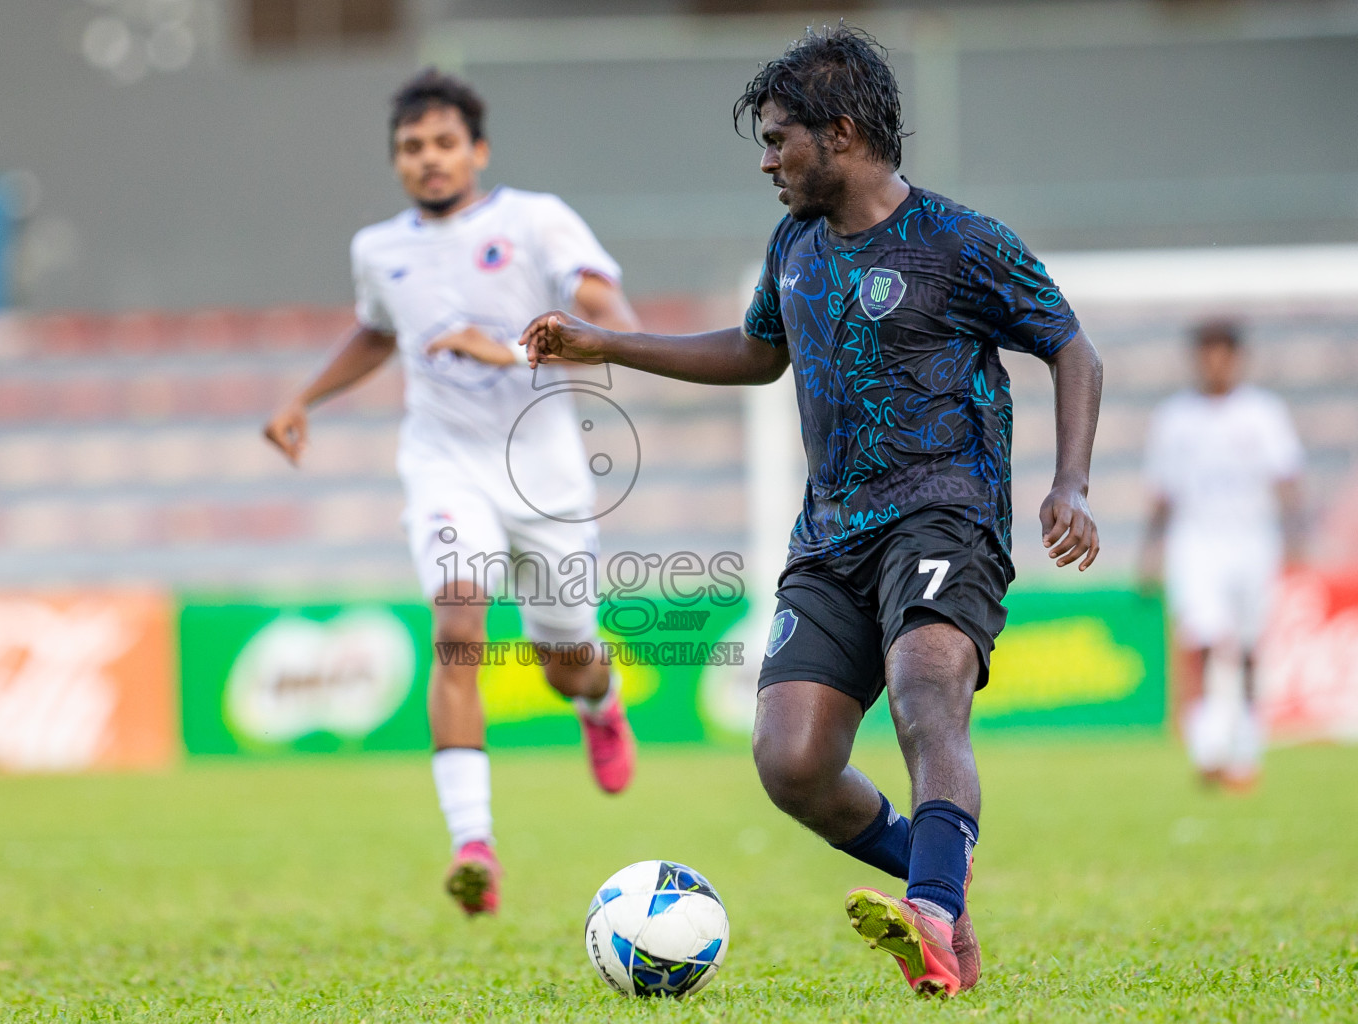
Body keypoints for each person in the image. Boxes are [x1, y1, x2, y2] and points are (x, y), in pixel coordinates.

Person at [520, 26, 1102, 999]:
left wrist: (1072, 481)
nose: (765, 158)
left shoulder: (961, 242)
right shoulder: (793, 243)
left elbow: (1072, 348)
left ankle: (929, 910)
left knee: (926, 686)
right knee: (790, 763)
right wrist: (602, 344)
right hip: (829, 538)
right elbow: (756, 352)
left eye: (779, 137)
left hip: (943, 516)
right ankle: (940, 881)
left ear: (839, 134)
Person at [264, 70, 640, 918]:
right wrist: (303, 399)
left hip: (544, 473)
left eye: (442, 143)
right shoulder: (378, 249)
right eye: (410, 148)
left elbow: (616, 324)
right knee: (459, 628)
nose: (427, 160)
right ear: (396, 161)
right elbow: (376, 329)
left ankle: (601, 704)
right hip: (443, 467)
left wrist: (508, 348)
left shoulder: (534, 221)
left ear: (477, 150)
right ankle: (475, 845)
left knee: (565, 661)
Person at [1140, 321, 1303, 790]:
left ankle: (1247, 746)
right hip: (1197, 541)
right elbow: (1163, 493)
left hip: (1254, 539)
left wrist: (1296, 538)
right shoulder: (1175, 418)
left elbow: (1287, 478)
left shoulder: (1262, 413)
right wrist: (1150, 551)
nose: (1214, 362)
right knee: (1205, 640)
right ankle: (1209, 746)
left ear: (1236, 358)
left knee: (1249, 649)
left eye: (1222, 353)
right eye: (1206, 353)